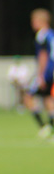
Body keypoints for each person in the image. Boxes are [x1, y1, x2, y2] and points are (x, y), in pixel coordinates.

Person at [26, 8, 54, 138]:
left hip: (47, 71)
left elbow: (43, 56)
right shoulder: (51, 34)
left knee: (28, 97)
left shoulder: (41, 35)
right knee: (48, 98)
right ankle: (50, 127)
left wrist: (40, 75)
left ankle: (44, 126)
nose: (32, 23)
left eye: (34, 20)